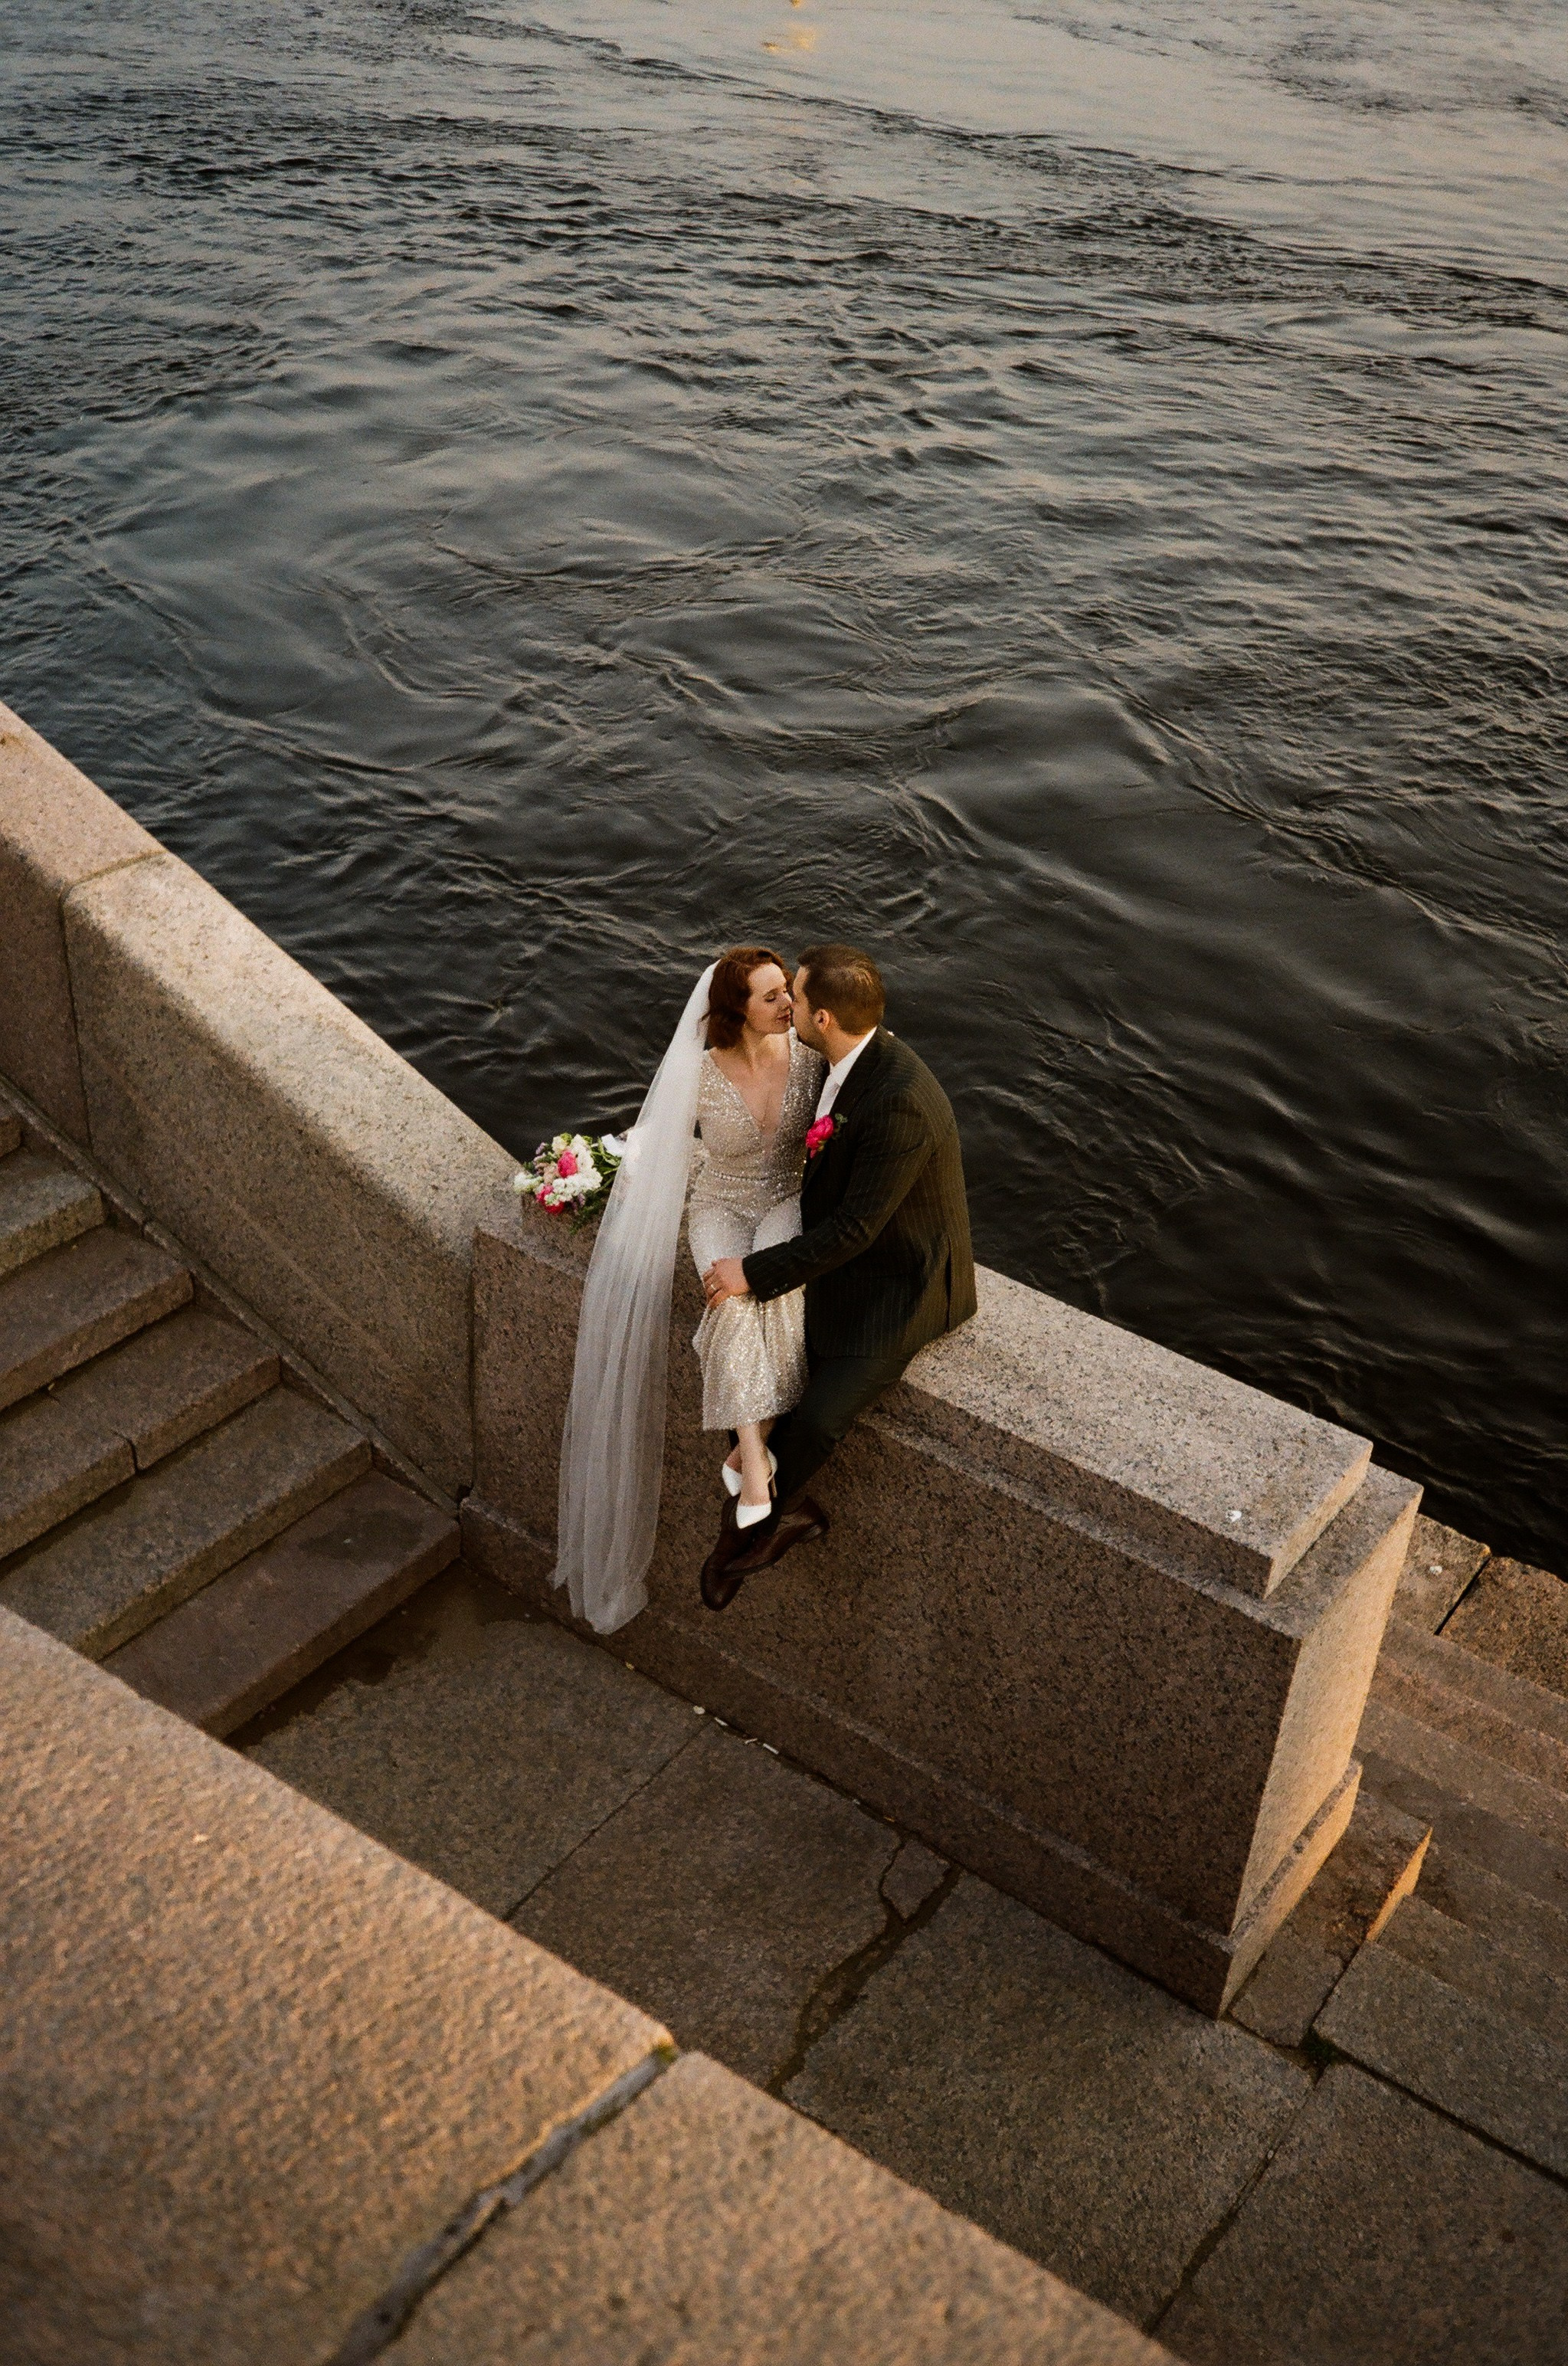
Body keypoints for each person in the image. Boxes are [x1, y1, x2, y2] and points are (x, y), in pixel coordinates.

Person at [551, 948, 822, 1635]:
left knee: (775, 1292)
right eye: (770, 997)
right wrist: (599, 1172)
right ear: (736, 1011)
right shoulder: (698, 1072)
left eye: (784, 991)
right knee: (726, 1300)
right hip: (720, 1203)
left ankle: (743, 1457)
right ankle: (756, 1462)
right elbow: (660, 1142)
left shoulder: (810, 1056)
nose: (786, 1003)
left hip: (786, 1198)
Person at [698, 942, 976, 1611]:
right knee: (762, 1352)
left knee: (818, 1417)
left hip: (899, 1287)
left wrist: (752, 1272)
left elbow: (857, 1231)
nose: (785, 1003)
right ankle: (764, 1486)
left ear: (822, 1017)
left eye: (793, 994)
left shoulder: (899, 1099)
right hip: (839, 1255)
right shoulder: (847, 1059)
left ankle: (756, 1530)